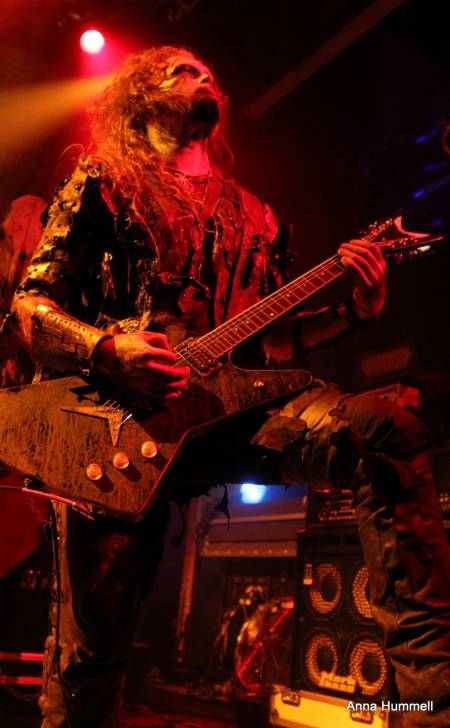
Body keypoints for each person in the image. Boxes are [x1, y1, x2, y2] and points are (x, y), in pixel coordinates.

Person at [9, 45, 450, 728]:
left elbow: (268, 347)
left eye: (208, 70)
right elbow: (31, 307)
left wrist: (351, 315)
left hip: (234, 415)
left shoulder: (257, 216)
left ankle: (428, 706)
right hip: (115, 426)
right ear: (141, 97)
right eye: (181, 70)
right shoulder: (103, 183)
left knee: (384, 433)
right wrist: (107, 349)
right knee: (92, 656)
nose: (203, 75)